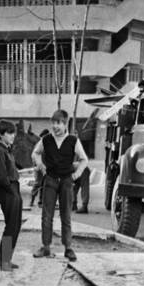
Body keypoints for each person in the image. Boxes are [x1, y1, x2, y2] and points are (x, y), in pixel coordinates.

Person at [31, 110, 89, 261]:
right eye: (54, 123)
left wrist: (77, 174)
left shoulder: (73, 140)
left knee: (66, 215)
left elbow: (84, 159)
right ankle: (45, 247)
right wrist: (41, 166)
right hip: (50, 180)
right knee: (46, 216)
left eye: (59, 123)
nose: (55, 126)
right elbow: (35, 153)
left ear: (65, 124)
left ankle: (68, 248)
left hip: (66, 181)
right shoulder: (46, 139)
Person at [0, 120, 22, 270]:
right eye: (9, 133)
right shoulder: (0, 152)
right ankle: (3, 261)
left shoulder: (7, 150)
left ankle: (4, 258)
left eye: (13, 132)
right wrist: (13, 193)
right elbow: (2, 178)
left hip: (13, 189)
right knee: (11, 226)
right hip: (8, 191)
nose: (13, 136)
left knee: (15, 226)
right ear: (0, 135)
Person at [29, 128, 48, 208]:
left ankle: (41, 202)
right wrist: (36, 165)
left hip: (44, 168)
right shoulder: (40, 144)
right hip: (39, 168)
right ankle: (32, 201)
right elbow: (33, 155)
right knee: (38, 184)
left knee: (43, 185)